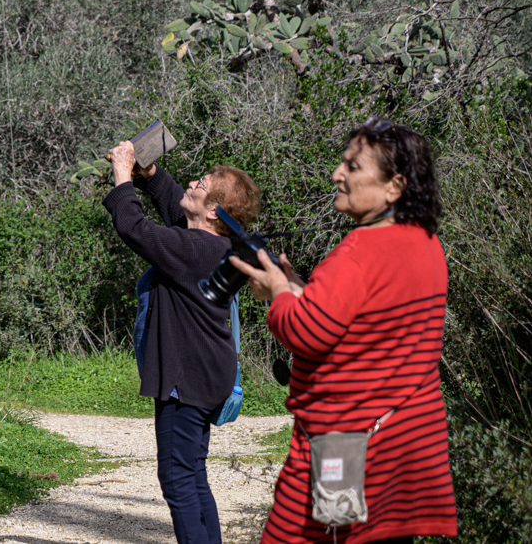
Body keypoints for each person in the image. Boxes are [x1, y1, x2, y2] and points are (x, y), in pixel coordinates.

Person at [232, 119, 457, 544]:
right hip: (411, 441)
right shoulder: (425, 242)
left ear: (395, 187)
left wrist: (278, 292)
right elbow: (359, 324)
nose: (337, 173)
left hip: (350, 449)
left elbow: (306, 332)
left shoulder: (358, 251)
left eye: (352, 167)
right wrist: (301, 288)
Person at [103, 140, 262, 544]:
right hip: (206, 374)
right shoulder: (214, 245)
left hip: (186, 380)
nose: (192, 182)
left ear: (213, 211)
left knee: (176, 479)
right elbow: (178, 207)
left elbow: (134, 228)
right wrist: (150, 175)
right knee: (192, 473)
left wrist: (123, 174)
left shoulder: (194, 250)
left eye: (202, 183)